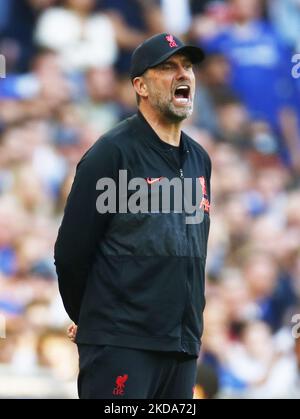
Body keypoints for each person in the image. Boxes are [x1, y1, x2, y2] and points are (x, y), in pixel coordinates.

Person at [54, 33, 211, 399]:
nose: (183, 74)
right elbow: (70, 253)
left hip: (182, 345)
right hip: (122, 344)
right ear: (140, 85)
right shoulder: (111, 154)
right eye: (168, 67)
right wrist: (90, 316)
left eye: (187, 66)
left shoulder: (200, 159)